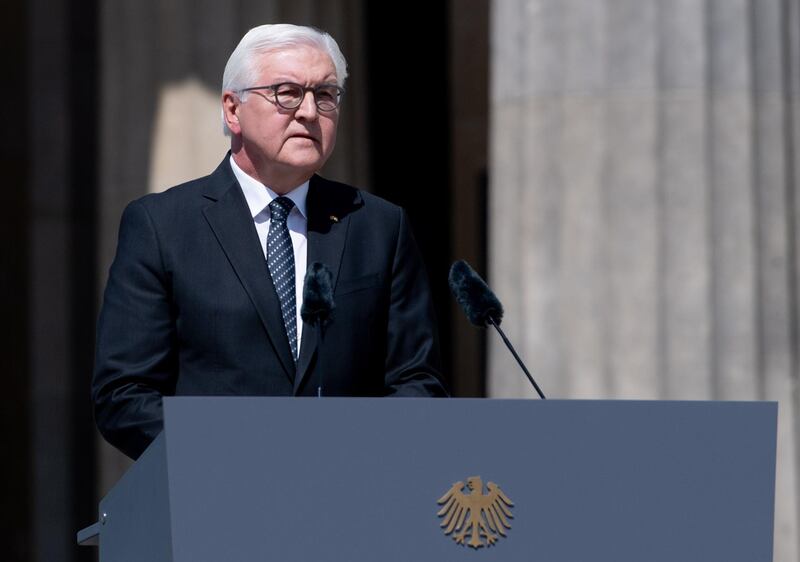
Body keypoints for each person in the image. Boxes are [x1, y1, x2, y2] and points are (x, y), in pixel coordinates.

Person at [92, 23, 447, 460]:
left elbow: (418, 382)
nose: (310, 112)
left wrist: (355, 450)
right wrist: (243, 454)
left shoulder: (378, 226)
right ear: (232, 109)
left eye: (325, 94)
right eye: (287, 92)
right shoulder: (162, 226)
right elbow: (123, 396)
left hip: (352, 497)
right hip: (215, 498)